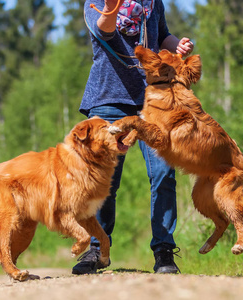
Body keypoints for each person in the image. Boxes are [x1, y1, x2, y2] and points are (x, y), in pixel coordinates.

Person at [72, 0, 194, 275]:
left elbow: (162, 34)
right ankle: (97, 248)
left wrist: (178, 46)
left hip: (153, 99)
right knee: (105, 181)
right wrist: (113, 6)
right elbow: (104, 31)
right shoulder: (98, 2)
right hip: (108, 100)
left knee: (164, 173)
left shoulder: (152, 2)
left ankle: (164, 251)